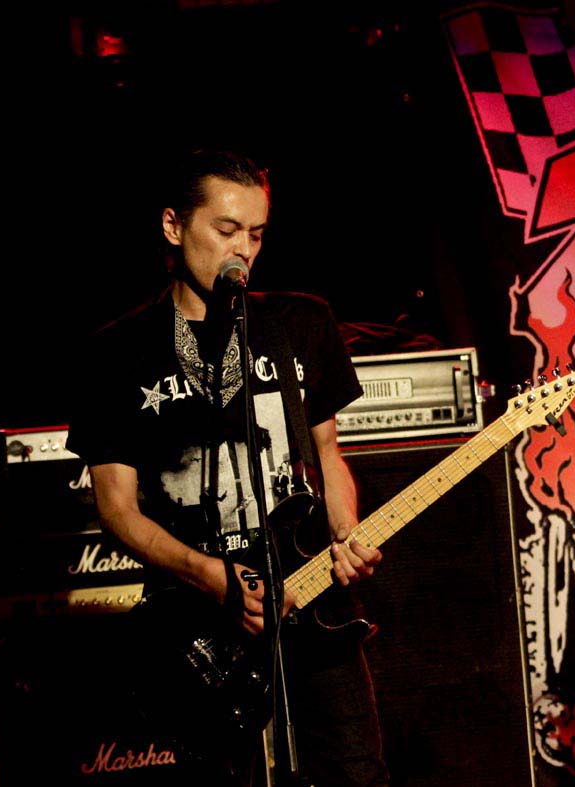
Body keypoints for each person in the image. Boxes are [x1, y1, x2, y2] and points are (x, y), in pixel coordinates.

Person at [67, 150, 389, 786]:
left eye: (256, 234)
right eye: (226, 229)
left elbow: (327, 455)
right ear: (173, 226)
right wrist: (211, 576)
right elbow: (116, 508)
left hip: (310, 601)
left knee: (358, 774)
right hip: (195, 626)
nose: (243, 249)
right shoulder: (115, 353)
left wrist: (346, 530)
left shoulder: (301, 324)